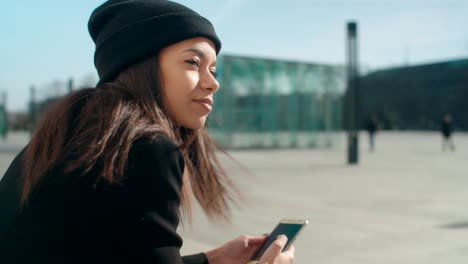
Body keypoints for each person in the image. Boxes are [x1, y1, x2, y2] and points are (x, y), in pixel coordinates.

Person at [0, 1, 295, 263]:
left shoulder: (69, 135)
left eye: (214, 70)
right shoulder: (145, 149)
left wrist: (212, 259)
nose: (212, 83)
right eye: (193, 62)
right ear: (143, 65)